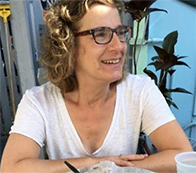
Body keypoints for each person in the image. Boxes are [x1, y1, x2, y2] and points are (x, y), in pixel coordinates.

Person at [0, 0, 192, 172]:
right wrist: (98, 163)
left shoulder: (140, 90)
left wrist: (114, 168)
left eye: (120, 32)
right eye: (101, 34)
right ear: (67, 45)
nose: (119, 46)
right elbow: (11, 167)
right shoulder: (39, 101)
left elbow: (182, 155)